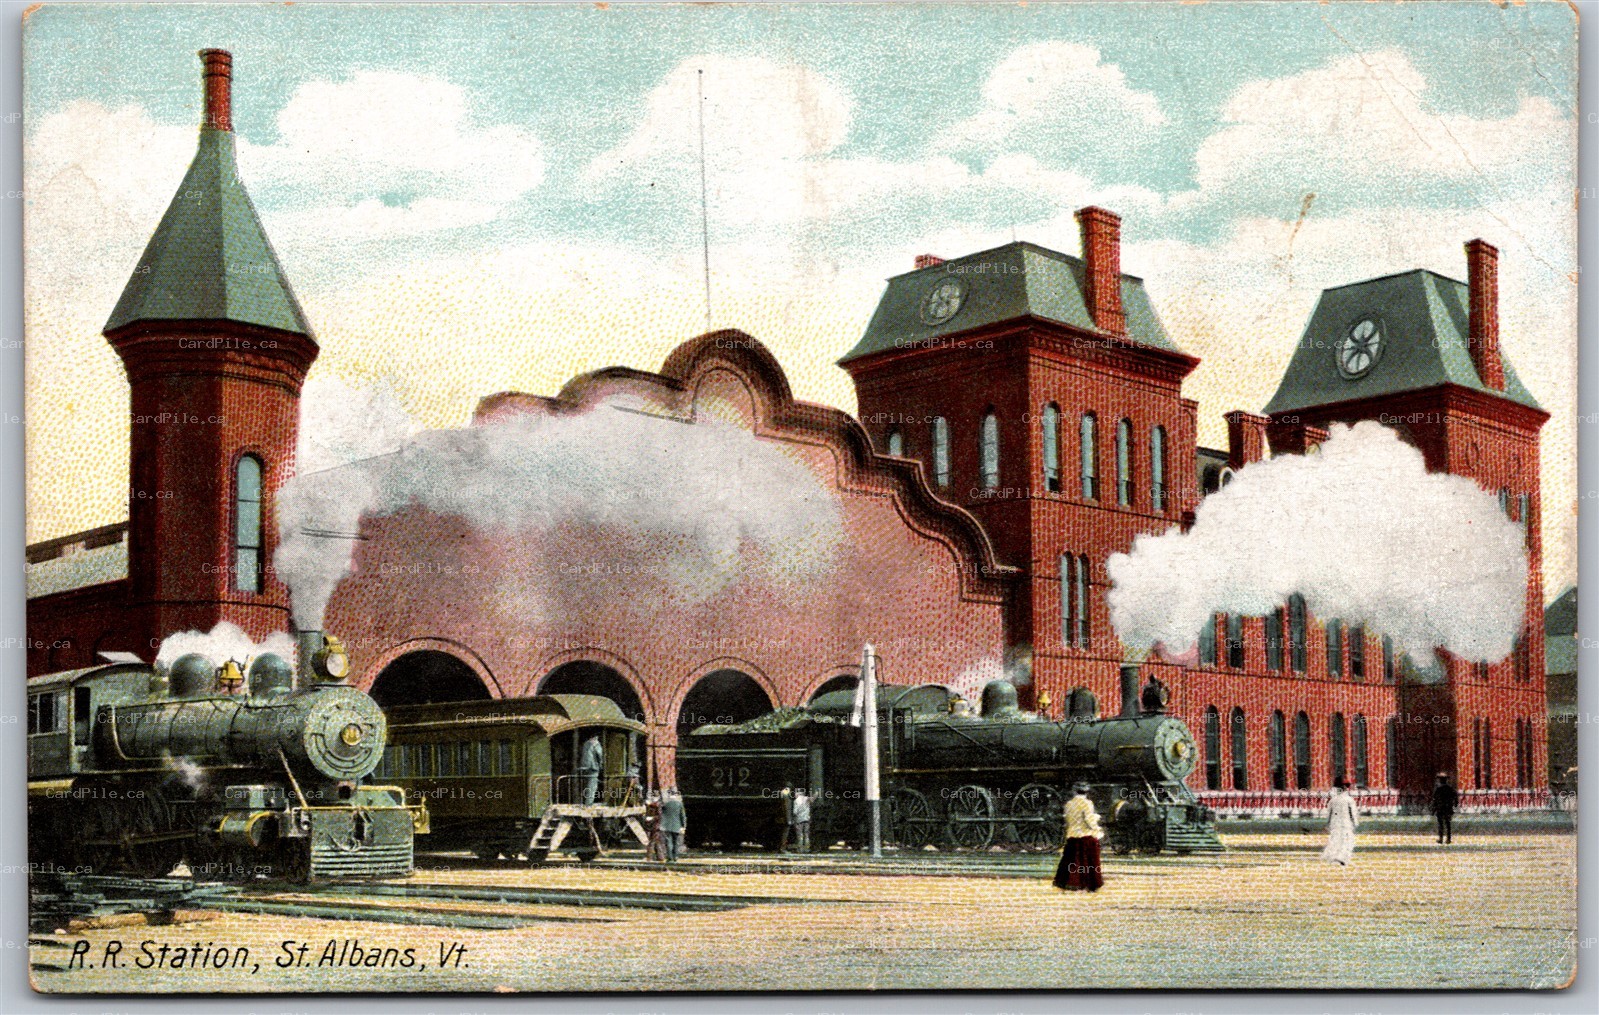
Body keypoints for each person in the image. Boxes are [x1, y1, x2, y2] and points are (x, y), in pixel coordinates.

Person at [1053, 782, 1104, 891]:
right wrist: (1097, 827)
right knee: (1089, 860)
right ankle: (1089, 883)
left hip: (1072, 835)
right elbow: (1089, 820)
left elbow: (1067, 820)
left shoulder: (1069, 804)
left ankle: (1069, 881)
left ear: (1074, 791)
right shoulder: (1087, 803)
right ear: (1087, 792)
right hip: (1084, 835)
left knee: (1071, 860)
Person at [1321, 776, 1359, 865]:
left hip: (1335, 823)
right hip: (1346, 824)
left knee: (1335, 839)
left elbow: (1328, 814)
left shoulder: (1332, 800)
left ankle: (1334, 856)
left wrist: (1327, 824)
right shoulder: (1349, 800)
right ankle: (1342, 857)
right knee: (1346, 840)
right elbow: (1353, 813)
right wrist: (1355, 823)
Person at [659, 788, 687, 863]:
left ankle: (670, 857)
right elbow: (682, 816)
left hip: (667, 826)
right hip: (677, 826)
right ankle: (675, 856)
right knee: (676, 842)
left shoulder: (665, 804)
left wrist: (661, 825)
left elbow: (662, 815)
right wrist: (683, 826)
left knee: (668, 842)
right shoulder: (679, 804)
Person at [1431, 772, 1458, 844]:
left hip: (1440, 808)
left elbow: (1434, 799)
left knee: (1440, 824)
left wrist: (1433, 809)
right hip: (1448, 808)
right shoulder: (1450, 788)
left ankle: (1441, 838)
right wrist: (1455, 804)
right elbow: (1455, 797)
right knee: (1448, 823)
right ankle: (1448, 838)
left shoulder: (1438, 789)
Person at [578, 734, 604, 806]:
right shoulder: (596, 744)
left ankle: (582, 802)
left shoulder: (585, 744)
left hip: (584, 768)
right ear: (596, 737)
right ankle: (588, 804)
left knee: (585, 786)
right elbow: (600, 755)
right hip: (593, 768)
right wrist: (601, 766)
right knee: (592, 787)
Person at [643, 789, 666, 862]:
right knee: (656, 842)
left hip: (655, 825)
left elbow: (660, 816)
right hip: (654, 825)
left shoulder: (657, 805)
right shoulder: (654, 805)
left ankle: (649, 857)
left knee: (652, 842)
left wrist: (651, 818)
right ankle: (660, 857)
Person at [791, 787, 812, 853]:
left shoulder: (796, 801)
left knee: (800, 835)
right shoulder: (807, 799)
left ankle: (800, 849)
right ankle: (807, 849)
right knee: (806, 835)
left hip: (799, 820)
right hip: (807, 819)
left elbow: (795, 812)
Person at [777, 785, 794, 851]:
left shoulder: (782, 793)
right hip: (786, 817)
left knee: (783, 833)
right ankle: (782, 848)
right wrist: (788, 819)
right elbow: (787, 807)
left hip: (784, 817)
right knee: (785, 834)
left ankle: (782, 847)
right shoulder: (786, 794)